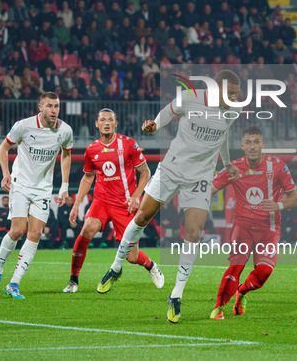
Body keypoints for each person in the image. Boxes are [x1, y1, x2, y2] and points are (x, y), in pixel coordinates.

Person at [97, 70, 242, 324]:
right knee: (142, 216)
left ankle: (176, 295)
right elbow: (169, 111)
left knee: (194, 233)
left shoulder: (234, 111)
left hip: (200, 176)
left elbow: (223, 134)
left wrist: (227, 163)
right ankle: (116, 267)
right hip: (173, 167)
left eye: (236, 95)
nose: (234, 98)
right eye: (230, 93)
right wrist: (154, 124)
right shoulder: (190, 97)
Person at [63, 108, 162, 293]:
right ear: (96, 123)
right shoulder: (92, 150)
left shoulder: (129, 144)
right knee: (87, 229)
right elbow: (87, 177)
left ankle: (150, 265)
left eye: (110, 120)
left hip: (124, 204)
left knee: (132, 257)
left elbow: (145, 173)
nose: (106, 123)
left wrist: (136, 196)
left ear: (116, 123)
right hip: (101, 200)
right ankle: (73, 280)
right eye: (102, 120)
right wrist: (76, 204)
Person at [0, 92, 73, 299]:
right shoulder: (24, 126)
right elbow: (3, 148)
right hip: (21, 184)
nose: (54, 110)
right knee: (17, 230)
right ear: (40, 107)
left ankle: (14, 283)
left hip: (43, 189)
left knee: (34, 234)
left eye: (57, 106)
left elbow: (66, 154)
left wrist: (64, 186)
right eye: (50, 106)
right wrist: (6, 174)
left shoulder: (65, 130)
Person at [210, 126, 297, 320]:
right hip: (243, 227)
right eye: (248, 142)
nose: (252, 146)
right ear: (242, 146)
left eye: (256, 142)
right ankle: (218, 308)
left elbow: (294, 198)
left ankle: (241, 293)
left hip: (269, 229)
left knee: (264, 272)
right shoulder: (233, 168)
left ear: (263, 145)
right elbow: (210, 190)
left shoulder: (277, 166)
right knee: (236, 266)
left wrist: (278, 205)